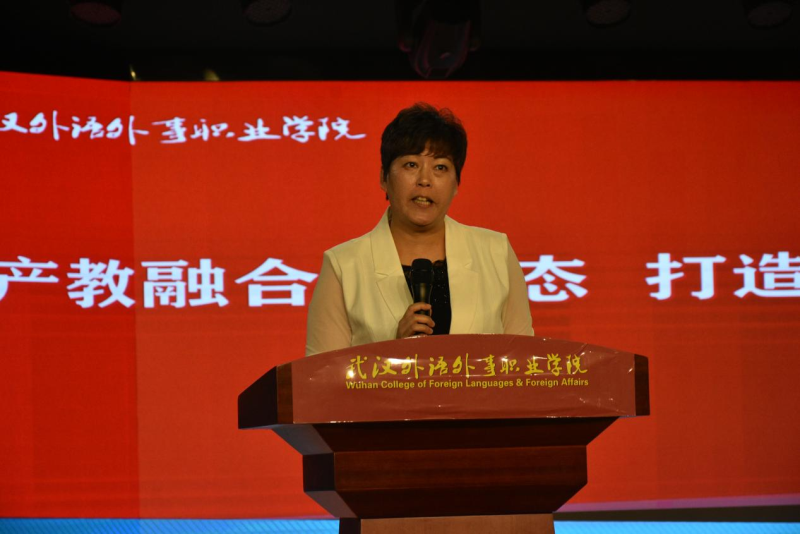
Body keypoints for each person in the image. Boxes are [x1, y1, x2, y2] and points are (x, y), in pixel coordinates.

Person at [305, 103, 533, 356]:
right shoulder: (343, 266)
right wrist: (392, 354)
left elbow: (524, 363)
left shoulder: (496, 253)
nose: (425, 180)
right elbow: (321, 375)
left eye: (440, 167)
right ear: (384, 178)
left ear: (456, 184)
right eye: (411, 165)